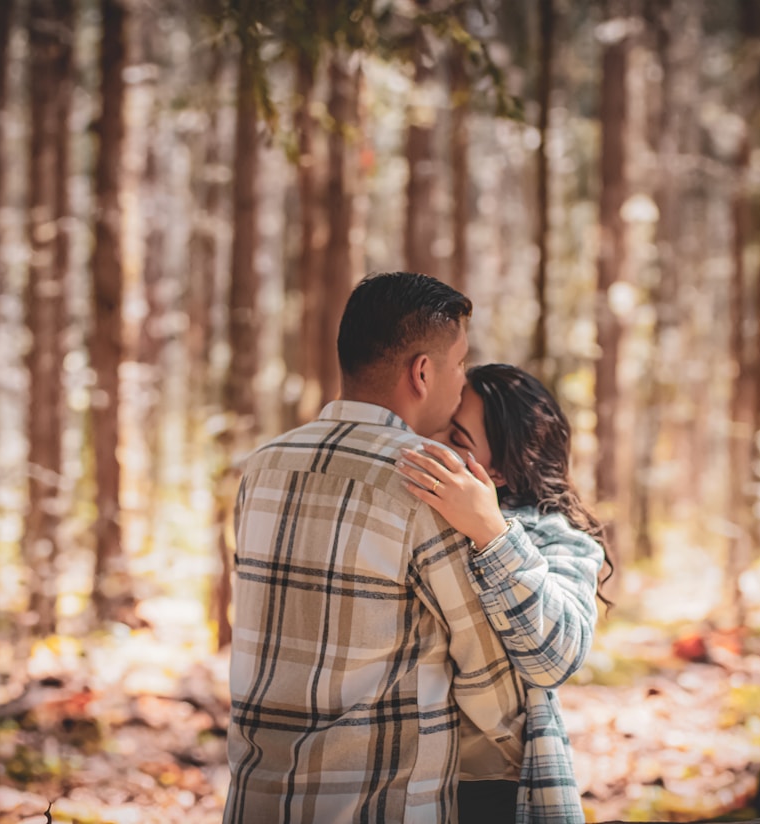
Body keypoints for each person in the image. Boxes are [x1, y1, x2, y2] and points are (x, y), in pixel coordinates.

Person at [224, 273, 525, 824]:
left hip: (257, 800)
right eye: (459, 365)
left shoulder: (265, 464)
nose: (463, 382)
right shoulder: (429, 479)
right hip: (377, 806)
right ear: (423, 371)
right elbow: (486, 679)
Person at [396, 364, 610, 824]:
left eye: (458, 437)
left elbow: (556, 657)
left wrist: (491, 533)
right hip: (402, 780)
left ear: (497, 468)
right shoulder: (409, 511)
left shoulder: (559, 538)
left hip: (495, 790)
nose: (433, 442)